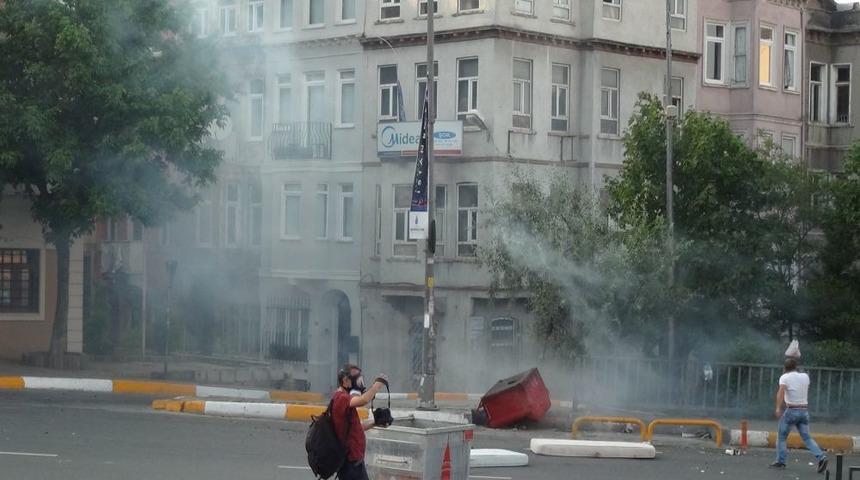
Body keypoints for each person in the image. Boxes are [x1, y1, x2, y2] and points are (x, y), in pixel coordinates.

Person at [769, 357, 827, 473]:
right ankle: (821, 456)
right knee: (807, 437)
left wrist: (778, 407)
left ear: (785, 368)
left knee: (781, 437)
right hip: (804, 412)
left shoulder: (784, 377)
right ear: (796, 367)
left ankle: (781, 461)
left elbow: (780, 393)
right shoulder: (805, 377)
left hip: (791, 411)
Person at [331, 364, 388, 480]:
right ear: (345, 381)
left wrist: (374, 423)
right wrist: (376, 386)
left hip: (355, 462)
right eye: (357, 380)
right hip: (350, 463)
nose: (360, 384)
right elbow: (363, 400)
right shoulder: (341, 398)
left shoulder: (344, 398)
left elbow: (354, 428)